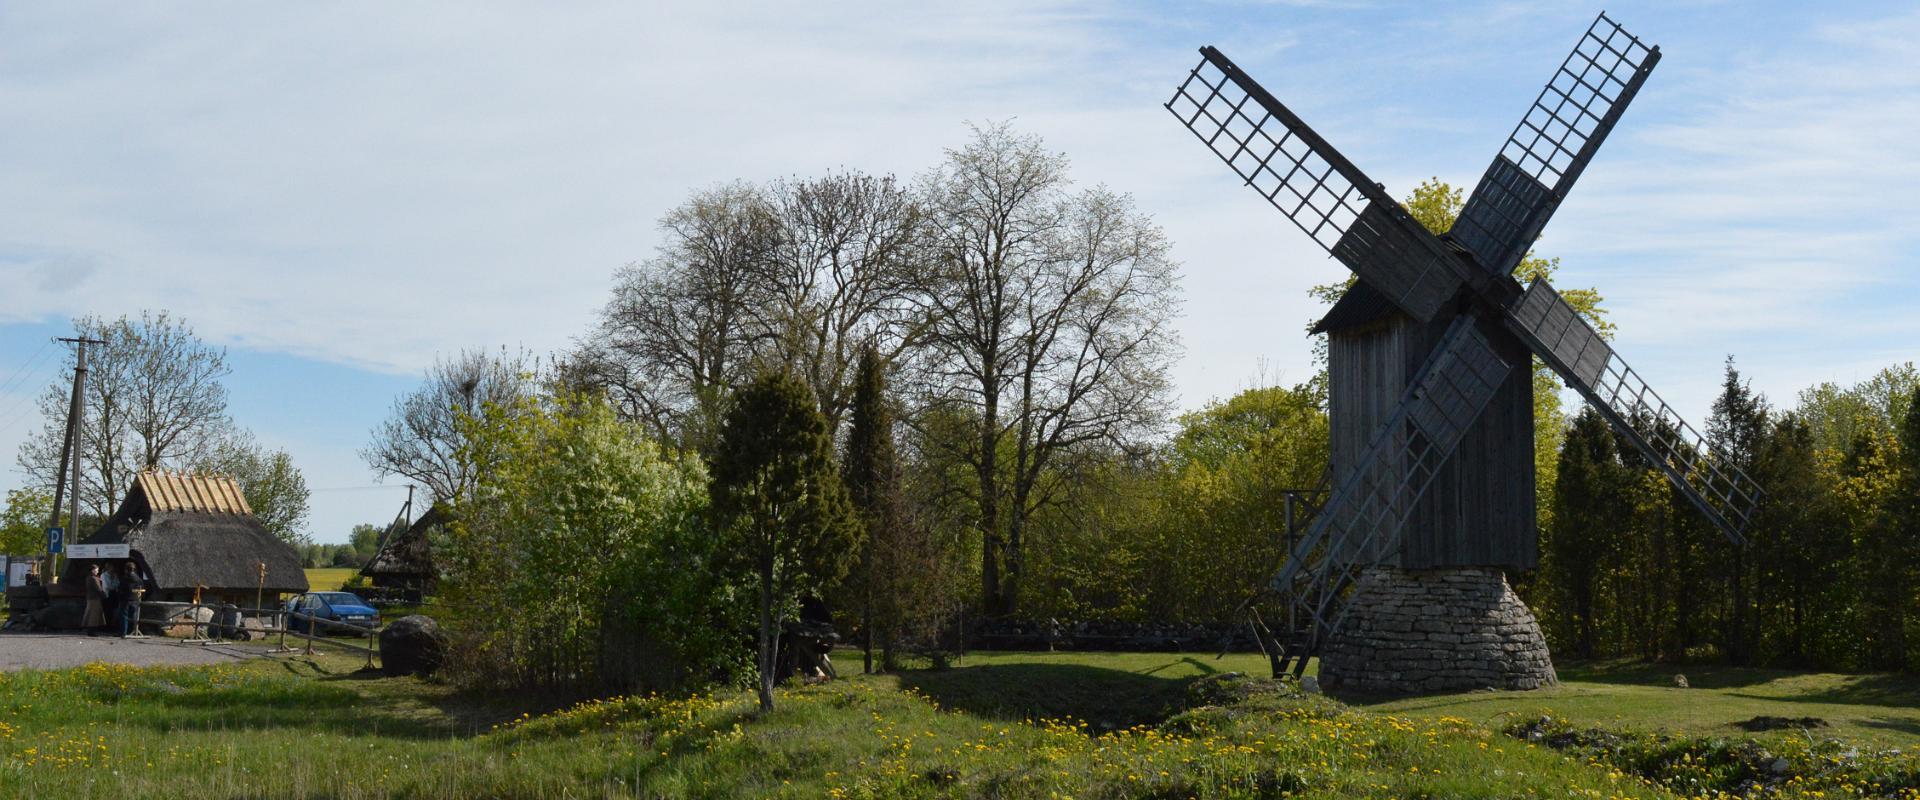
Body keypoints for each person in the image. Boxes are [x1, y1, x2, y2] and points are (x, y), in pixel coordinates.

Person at [81, 564, 107, 635]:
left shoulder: (90, 577)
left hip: (91, 598)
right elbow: (98, 588)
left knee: (91, 614)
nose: (98, 570)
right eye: (96, 569)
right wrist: (104, 595)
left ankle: (91, 630)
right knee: (93, 615)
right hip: (94, 598)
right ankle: (92, 631)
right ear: (93, 570)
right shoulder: (93, 578)